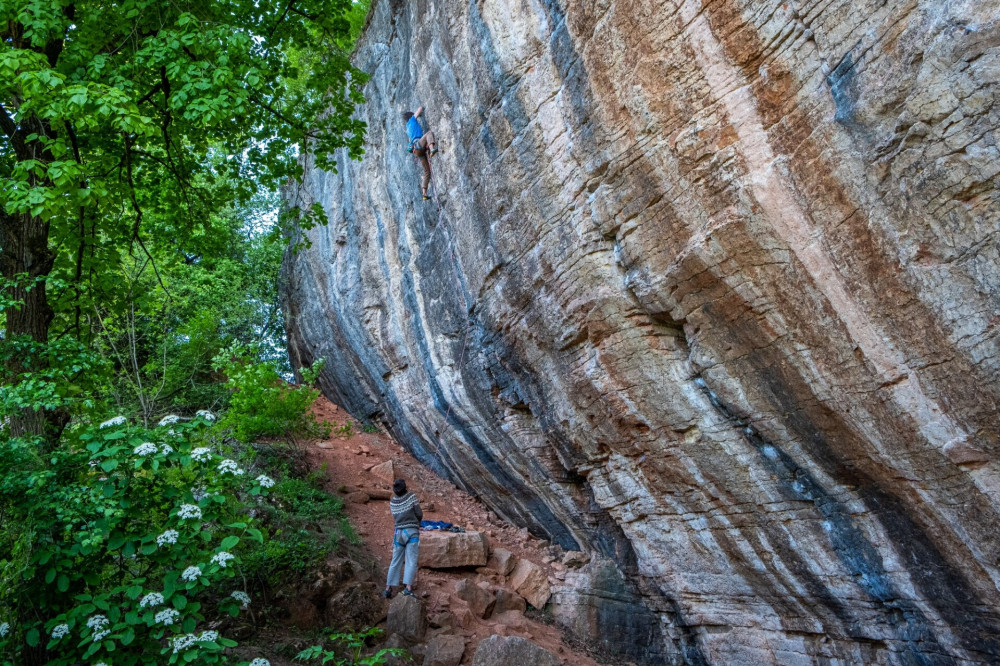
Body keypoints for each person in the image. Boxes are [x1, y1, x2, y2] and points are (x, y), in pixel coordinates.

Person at [384, 478, 422, 598]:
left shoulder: (392, 502)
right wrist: (416, 521)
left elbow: (396, 518)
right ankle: (408, 588)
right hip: (411, 532)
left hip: (398, 534)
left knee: (395, 561)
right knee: (411, 560)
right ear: (405, 487)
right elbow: (419, 514)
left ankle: (388, 588)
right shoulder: (411, 497)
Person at [403, 107, 438, 201]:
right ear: (411, 116)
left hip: (417, 151)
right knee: (429, 133)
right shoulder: (412, 120)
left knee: (427, 172)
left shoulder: (407, 129)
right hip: (419, 144)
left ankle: (424, 194)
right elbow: (419, 110)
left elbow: (410, 141)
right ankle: (432, 149)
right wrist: (422, 108)